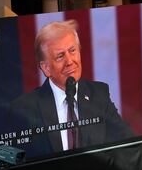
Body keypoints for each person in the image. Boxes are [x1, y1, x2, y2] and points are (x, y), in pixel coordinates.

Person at [7, 20, 134, 157]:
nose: (69, 61)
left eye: (72, 51)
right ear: (46, 68)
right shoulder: (24, 108)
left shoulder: (99, 94)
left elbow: (127, 143)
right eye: (60, 56)